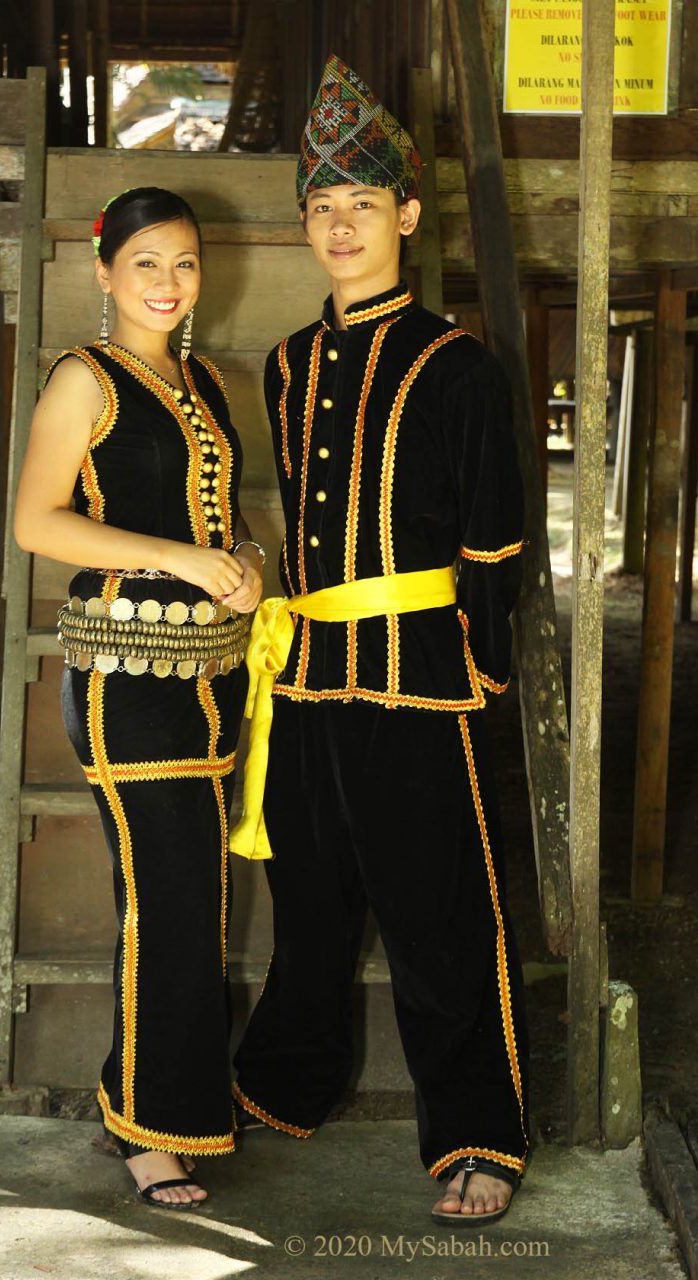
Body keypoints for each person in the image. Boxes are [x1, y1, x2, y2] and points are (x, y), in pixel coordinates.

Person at [229, 56, 529, 1226]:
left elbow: (495, 544)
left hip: (417, 680)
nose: (339, 225)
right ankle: (282, 1082)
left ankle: (474, 1132)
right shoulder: (288, 364)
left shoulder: (458, 366)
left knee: (438, 914)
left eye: (361, 204)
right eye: (320, 207)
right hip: (304, 675)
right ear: (304, 223)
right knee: (307, 901)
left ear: (405, 215)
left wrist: (481, 668)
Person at [14, 187, 265, 1209]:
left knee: (196, 896)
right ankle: (142, 1123)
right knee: (160, 893)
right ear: (103, 269)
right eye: (147, 263)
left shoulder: (201, 376)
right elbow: (38, 520)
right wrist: (177, 558)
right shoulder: (83, 378)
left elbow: (218, 508)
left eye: (185, 264)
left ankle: (171, 1095)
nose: (168, 284)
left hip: (211, 675)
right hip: (122, 679)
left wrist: (242, 558)